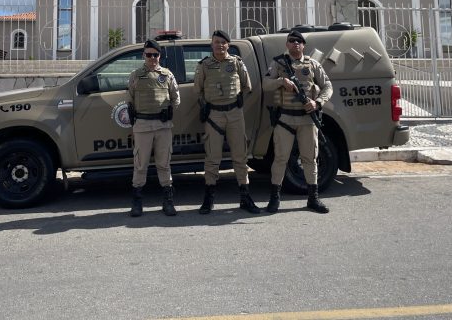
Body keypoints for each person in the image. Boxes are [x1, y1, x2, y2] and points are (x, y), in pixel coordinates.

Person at [263, 29, 333, 214]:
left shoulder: (312, 64)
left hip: (307, 120)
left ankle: (313, 198)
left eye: (299, 41)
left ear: (303, 45)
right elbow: (265, 84)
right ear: (287, 44)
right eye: (291, 41)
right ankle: (274, 198)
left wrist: (317, 102)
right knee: (280, 159)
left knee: (310, 159)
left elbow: (327, 86)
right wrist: (281, 81)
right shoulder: (279, 63)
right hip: (285, 118)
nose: (295, 44)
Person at [193, 29, 260, 214]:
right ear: (211, 45)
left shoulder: (237, 63)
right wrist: (205, 107)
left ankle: (245, 197)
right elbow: (197, 90)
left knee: (240, 157)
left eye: (223, 42)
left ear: (228, 45)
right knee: (212, 158)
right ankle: (209, 199)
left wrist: (237, 103)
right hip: (214, 115)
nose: (220, 45)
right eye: (216, 42)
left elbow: (247, 87)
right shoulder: (204, 65)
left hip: (235, 114)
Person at [126, 39, 180, 217]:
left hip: (162, 126)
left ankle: (168, 201)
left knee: (163, 164)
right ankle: (137, 201)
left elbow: (175, 97)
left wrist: (170, 110)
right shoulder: (136, 75)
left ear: (159, 56)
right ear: (143, 55)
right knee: (140, 164)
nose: (152, 58)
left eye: (155, 55)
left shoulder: (167, 74)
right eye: (148, 54)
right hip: (142, 126)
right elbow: (130, 99)